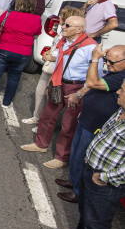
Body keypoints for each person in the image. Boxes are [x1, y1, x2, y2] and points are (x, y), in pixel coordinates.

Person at [55, 75, 125, 229]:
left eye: (123, 90)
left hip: (105, 182)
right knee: (85, 211)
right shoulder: (120, 110)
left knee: (97, 225)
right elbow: (104, 135)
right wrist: (89, 156)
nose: (118, 91)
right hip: (91, 168)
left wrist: (104, 177)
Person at [21, 16, 99, 168]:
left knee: (68, 124)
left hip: (76, 87)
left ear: (79, 29)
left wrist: (80, 94)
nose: (62, 26)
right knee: (47, 116)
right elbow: (62, 62)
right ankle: (40, 144)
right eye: (63, 24)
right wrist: (52, 79)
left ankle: (61, 157)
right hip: (58, 82)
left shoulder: (90, 47)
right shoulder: (64, 41)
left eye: (67, 25)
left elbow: (97, 76)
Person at [56, 45, 125, 204]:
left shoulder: (121, 77)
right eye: (106, 60)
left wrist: (95, 59)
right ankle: (74, 181)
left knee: (82, 157)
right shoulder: (115, 71)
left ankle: (79, 193)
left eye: (111, 62)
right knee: (75, 153)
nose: (107, 64)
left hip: (96, 125)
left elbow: (92, 81)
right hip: (88, 118)